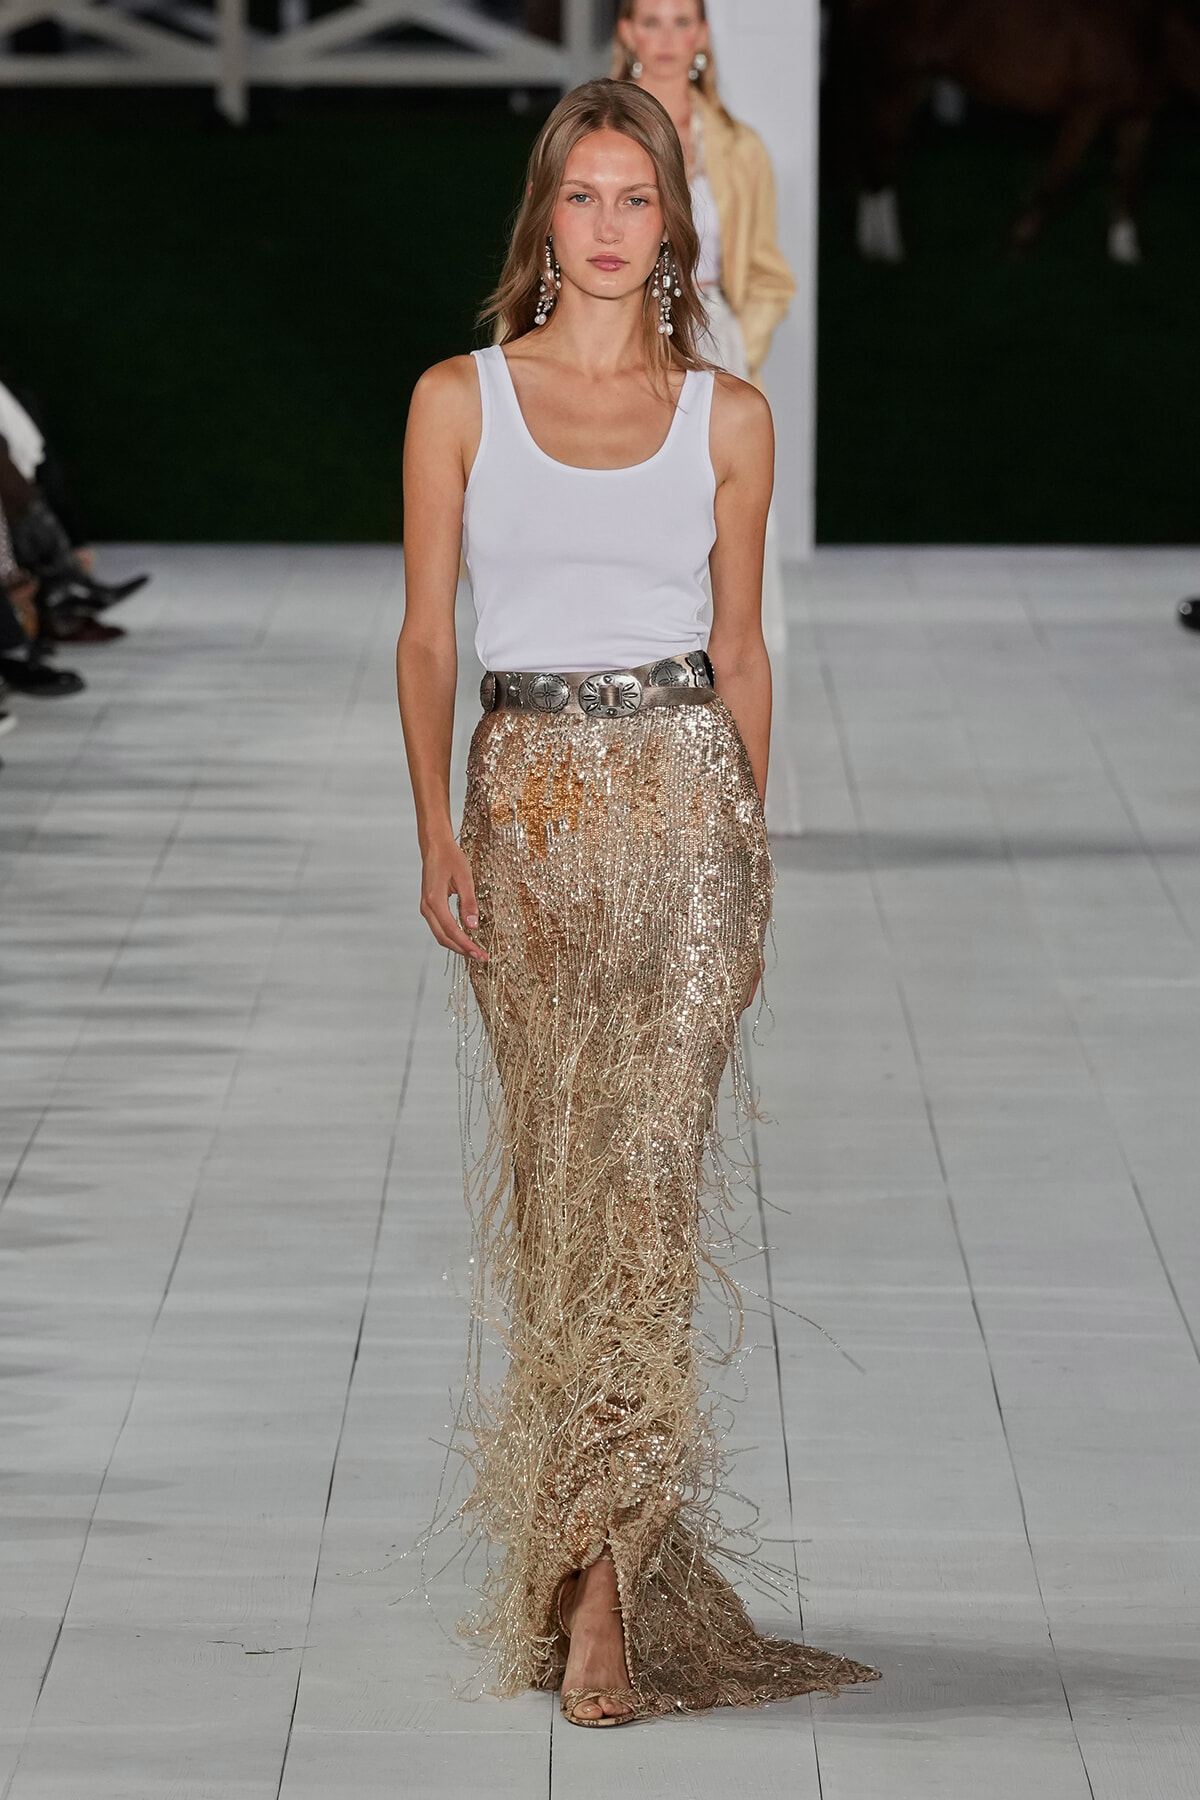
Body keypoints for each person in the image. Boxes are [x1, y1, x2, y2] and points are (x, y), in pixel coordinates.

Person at [397, 78, 878, 1727]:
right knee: (556, 1194)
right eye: (582, 198)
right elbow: (423, 643)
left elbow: (743, 655)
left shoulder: (723, 420)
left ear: (676, 222)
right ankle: (572, 1529)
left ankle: (610, 1590)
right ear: (546, 219)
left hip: (680, 813)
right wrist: (431, 838)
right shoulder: (459, 401)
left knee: (650, 1204)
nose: (609, 228)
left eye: (635, 198)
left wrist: (750, 872)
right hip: (522, 808)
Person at [614, 0, 803, 836]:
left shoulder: (738, 147)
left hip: (713, 346)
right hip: (616, 338)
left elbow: (766, 274)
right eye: (647, 20)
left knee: (737, 579)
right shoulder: (590, 136)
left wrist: (736, 348)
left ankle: (736, 789)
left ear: (701, 35)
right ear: (624, 31)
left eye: (679, 20)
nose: (663, 37)